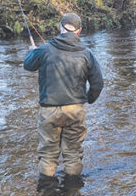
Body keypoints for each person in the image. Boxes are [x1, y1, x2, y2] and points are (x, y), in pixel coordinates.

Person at [23, 12, 103, 185]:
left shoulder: (44, 50)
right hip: (75, 110)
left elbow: (28, 65)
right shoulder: (87, 53)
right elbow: (98, 83)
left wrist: (32, 52)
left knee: (48, 154)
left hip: (49, 110)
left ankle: (47, 193)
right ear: (79, 31)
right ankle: (72, 193)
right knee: (73, 153)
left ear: (60, 26)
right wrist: (88, 99)